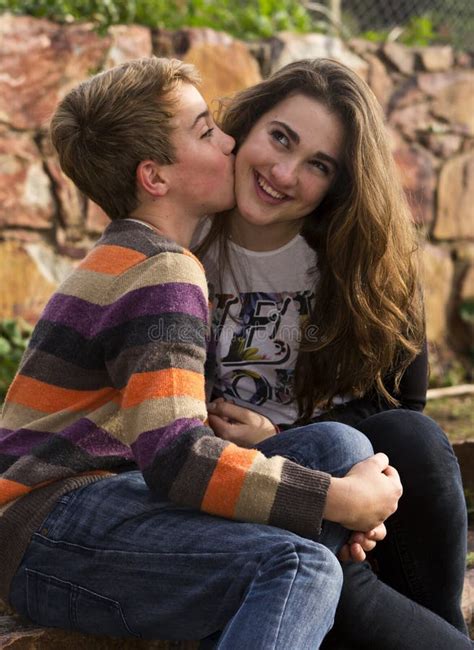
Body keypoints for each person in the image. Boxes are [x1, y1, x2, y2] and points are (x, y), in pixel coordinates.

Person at [0, 57, 405, 649]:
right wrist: (341, 501)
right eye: (205, 130)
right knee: (301, 566)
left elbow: (168, 454)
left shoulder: (137, 254)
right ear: (156, 177)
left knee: (339, 445)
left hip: (106, 503)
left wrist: (331, 495)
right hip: (49, 526)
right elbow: (179, 462)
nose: (229, 139)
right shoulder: (163, 271)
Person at [196, 58, 471, 648]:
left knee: (414, 439)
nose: (283, 172)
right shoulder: (184, 240)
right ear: (247, 123)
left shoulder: (363, 256)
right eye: (280, 137)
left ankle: (442, 621)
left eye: (318, 164)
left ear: (341, 182)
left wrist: (309, 458)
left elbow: (404, 401)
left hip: (347, 481)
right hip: (238, 493)